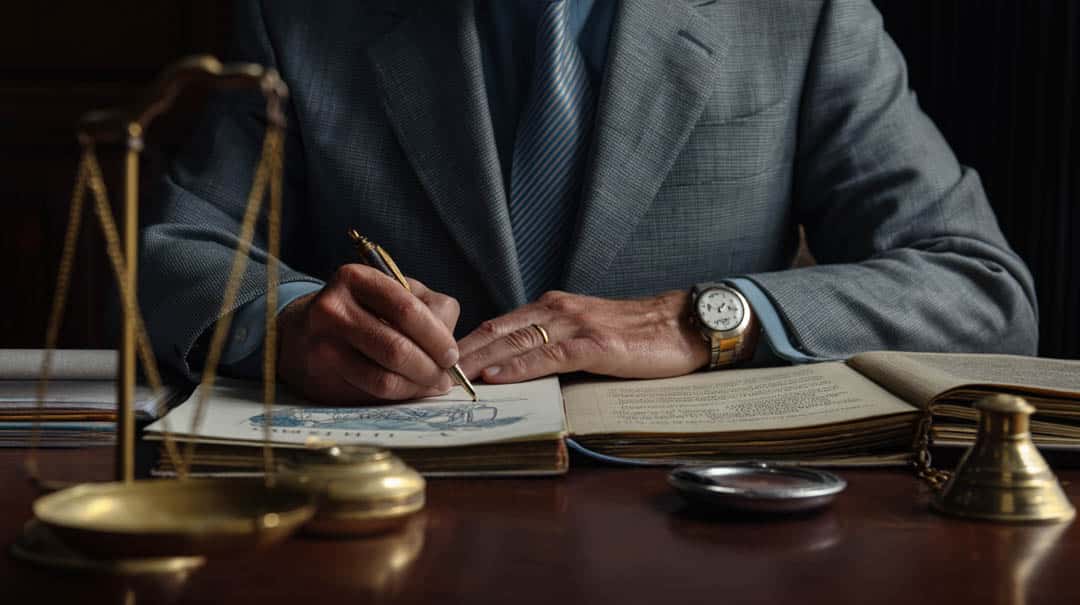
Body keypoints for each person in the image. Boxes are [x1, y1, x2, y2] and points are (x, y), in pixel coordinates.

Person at [141, 0, 1038, 404]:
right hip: (385, 523)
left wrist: (704, 320)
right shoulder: (304, 15)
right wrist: (292, 322)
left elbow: (983, 292)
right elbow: (170, 255)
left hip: (705, 533)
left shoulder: (799, 14)